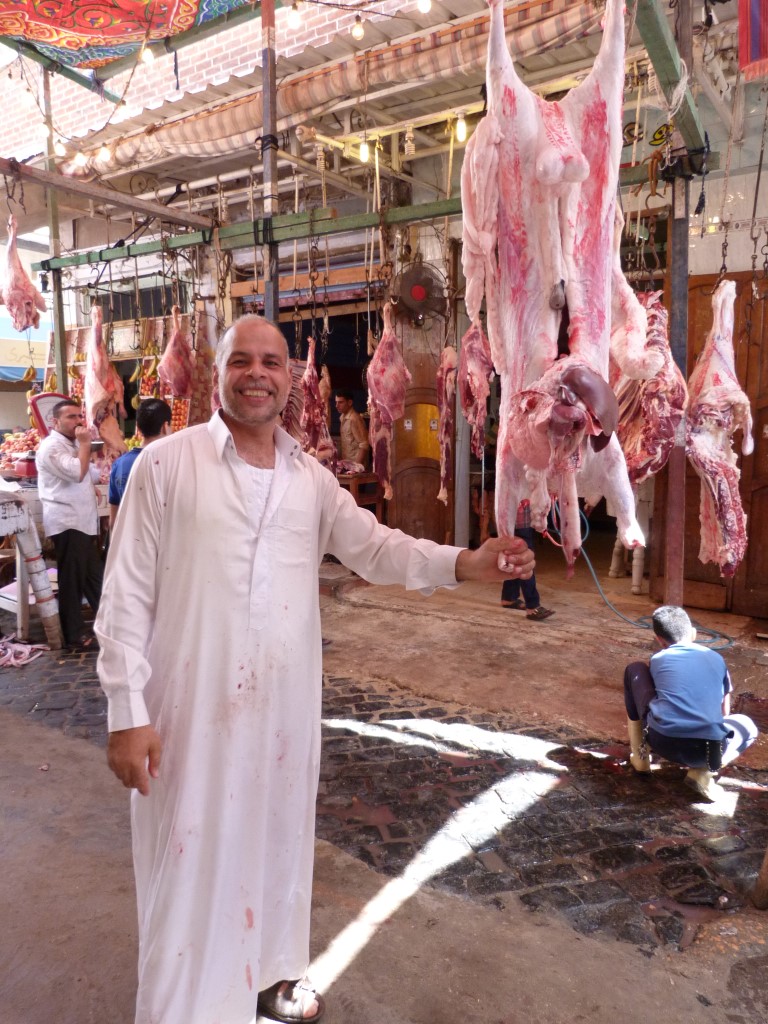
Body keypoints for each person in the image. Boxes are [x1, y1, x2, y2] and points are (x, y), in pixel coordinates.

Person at [95, 314, 535, 1024]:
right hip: (185, 717)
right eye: (242, 360)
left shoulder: (311, 480)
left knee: (275, 851)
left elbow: (378, 548)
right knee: (188, 865)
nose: (257, 374)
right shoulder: (166, 466)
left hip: (281, 717)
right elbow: (123, 596)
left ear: (289, 379)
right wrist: (126, 713)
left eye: (271, 362)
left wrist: (464, 564)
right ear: (219, 371)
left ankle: (266, 982)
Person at [624, 605, 758, 801]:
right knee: (747, 725)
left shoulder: (658, 659)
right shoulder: (717, 658)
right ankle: (703, 772)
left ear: (659, 640)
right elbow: (725, 712)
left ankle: (640, 758)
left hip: (662, 741)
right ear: (694, 633)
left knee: (634, 669)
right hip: (709, 749)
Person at [35, 399, 103, 650]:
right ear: (56, 421)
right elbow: (77, 473)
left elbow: (89, 473)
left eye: (79, 416)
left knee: (93, 576)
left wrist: (91, 482)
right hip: (67, 521)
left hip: (82, 520)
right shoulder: (51, 447)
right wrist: (85, 445)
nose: (78, 421)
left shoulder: (71, 444)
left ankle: (110, 624)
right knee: (72, 578)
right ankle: (73, 633)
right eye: (71, 417)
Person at [108, 398, 171, 529]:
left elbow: (113, 521)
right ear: (165, 427)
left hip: (129, 537)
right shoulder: (170, 463)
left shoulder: (119, 464)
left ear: (138, 426)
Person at [500, 500, 554, 621]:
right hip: (519, 521)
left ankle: (509, 597)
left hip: (516, 520)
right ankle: (533, 606)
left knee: (515, 558)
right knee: (526, 562)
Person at [334, 389, 369, 466]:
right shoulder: (342, 417)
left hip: (355, 466)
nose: (337, 406)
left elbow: (364, 444)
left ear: (349, 402)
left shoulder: (354, 419)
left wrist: (356, 467)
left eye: (340, 402)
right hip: (347, 464)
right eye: (336, 402)